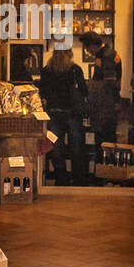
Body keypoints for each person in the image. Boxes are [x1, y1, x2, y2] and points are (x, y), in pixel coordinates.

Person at [38, 46, 88, 185]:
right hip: (73, 113)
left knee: (56, 146)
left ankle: (61, 178)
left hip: (53, 113)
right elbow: (84, 91)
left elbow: (42, 92)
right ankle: (78, 179)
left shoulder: (46, 70)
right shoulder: (75, 69)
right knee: (76, 146)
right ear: (69, 54)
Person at [80, 32, 122, 148]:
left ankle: (104, 166)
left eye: (87, 48)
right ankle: (103, 165)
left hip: (106, 106)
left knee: (104, 141)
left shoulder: (106, 56)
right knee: (105, 139)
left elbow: (110, 83)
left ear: (92, 46)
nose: (87, 51)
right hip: (106, 104)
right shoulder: (107, 53)